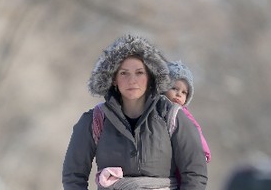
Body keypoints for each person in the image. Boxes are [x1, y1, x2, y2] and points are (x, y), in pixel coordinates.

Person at [62, 34, 208, 190]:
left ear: (150, 76)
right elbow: (73, 175)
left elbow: (195, 173)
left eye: (139, 73)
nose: (132, 80)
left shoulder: (173, 117)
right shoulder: (94, 120)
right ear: (114, 79)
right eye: (124, 73)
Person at [164, 61, 211, 163]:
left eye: (184, 92)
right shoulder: (155, 107)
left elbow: (195, 132)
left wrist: (203, 152)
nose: (179, 94)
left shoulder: (184, 114)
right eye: (174, 88)